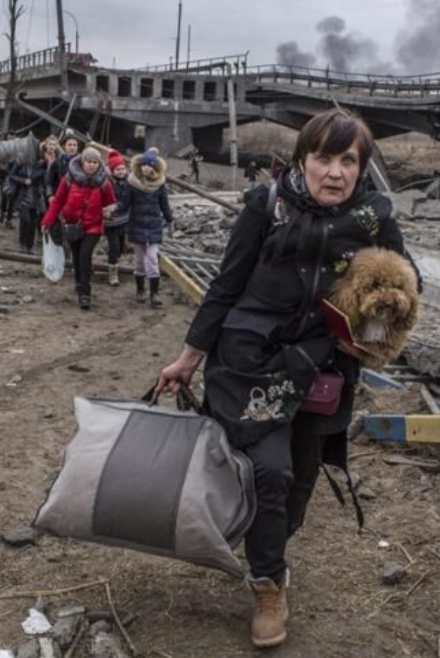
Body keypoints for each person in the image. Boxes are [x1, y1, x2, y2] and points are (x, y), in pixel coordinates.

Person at [156, 109, 419, 648]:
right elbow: (225, 286)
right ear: (302, 159)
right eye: (324, 157)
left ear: (361, 167)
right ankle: (268, 584)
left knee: (298, 483)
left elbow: (403, 289)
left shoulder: (374, 219)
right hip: (253, 364)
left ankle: (267, 544)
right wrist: (189, 358)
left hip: (322, 368)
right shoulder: (267, 205)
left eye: (349, 161)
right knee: (269, 472)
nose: (335, 172)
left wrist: (370, 339)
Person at [41, 146, 116, 310]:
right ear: (83, 162)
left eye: (95, 162)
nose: (91, 165)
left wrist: (110, 212)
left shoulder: (104, 182)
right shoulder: (69, 178)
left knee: (85, 255)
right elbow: (58, 201)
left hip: (93, 225)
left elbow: (111, 203)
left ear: (99, 164)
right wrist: (47, 222)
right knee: (76, 256)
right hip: (72, 224)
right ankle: (78, 282)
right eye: (89, 161)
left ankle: (85, 293)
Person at [116, 148, 174, 307]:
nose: (145, 168)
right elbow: (124, 203)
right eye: (143, 165)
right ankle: (140, 289)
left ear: (154, 167)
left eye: (149, 165)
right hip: (137, 225)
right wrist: (113, 209)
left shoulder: (160, 184)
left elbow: (164, 204)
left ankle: (154, 293)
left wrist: (170, 221)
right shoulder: (132, 183)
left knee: (152, 259)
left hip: (154, 227)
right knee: (140, 262)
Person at [9, 149, 47, 253]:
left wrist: (41, 188)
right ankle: (22, 244)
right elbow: (11, 175)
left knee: (33, 223)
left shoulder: (41, 164)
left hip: (36, 197)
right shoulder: (21, 163)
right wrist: (23, 180)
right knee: (25, 220)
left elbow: (45, 177)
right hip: (23, 196)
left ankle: (30, 246)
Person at [105, 149, 129, 286]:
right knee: (114, 246)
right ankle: (112, 272)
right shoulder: (108, 183)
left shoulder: (128, 183)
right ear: (112, 171)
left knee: (120, 247)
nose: (121, 172)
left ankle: (115, 261)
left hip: (124, 219)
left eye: (122, 169)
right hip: (111, 220)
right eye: (118, 169)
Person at [46, 132, 80, 201]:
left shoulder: (82, 162)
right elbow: (49, 181)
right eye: (69, 145)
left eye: (74, 145)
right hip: (60, 197)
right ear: (64, 146)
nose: (72, 147)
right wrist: (50, 195)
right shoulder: (57, 162)